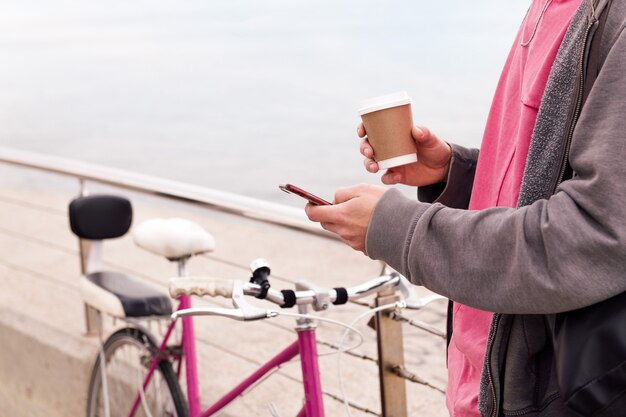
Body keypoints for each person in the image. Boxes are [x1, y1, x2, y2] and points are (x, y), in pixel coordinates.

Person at [305, 0, 626, 416]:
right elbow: (539, 183)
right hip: (483, 385)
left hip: (555, 394)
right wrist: (457, 175)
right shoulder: (550, 7)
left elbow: (593, 235)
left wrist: (399, 229)